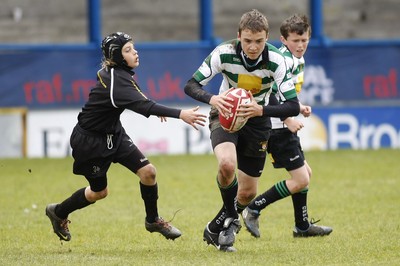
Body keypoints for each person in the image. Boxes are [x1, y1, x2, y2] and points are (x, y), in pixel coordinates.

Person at [45, 32, 207, 242]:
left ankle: (153, 220)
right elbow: (142, 105)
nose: (135, 52)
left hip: (115, 134)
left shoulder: (119, 74)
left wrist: (153, 107)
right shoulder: (115, 80)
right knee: (99, 192)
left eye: (133, 47)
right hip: (91, 142)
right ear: (117, 56)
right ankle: (58, 211)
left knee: (148, 172)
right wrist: (181, 114)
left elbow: (138, 99)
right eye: (128, 50)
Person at [184, 9, 302, 252]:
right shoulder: (224, 53)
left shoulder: (277, 60)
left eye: (259, 41)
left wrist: (262, 110)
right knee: (226, 165)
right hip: (225, 113)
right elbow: (191, 84)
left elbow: (293, 105)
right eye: (247, 41)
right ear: (239, 36)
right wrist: (213, 99)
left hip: (257, 122)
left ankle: (217, 225)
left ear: (266, 38)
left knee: (247, 193)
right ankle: (231, 219)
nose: (252, 47)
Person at [242, 14, 332, 238]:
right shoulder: (283, 59)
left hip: (281, 123)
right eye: (295, 41)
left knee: (305, 174)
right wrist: (287, 119)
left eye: (304, 40)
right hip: (276, 127)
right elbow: (269, 92)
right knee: (301, 179)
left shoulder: (296, 59)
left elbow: (285, 94)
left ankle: (302, 226)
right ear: (283, 39)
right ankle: (254, 208)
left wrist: (298, 107)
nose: (300, 45)